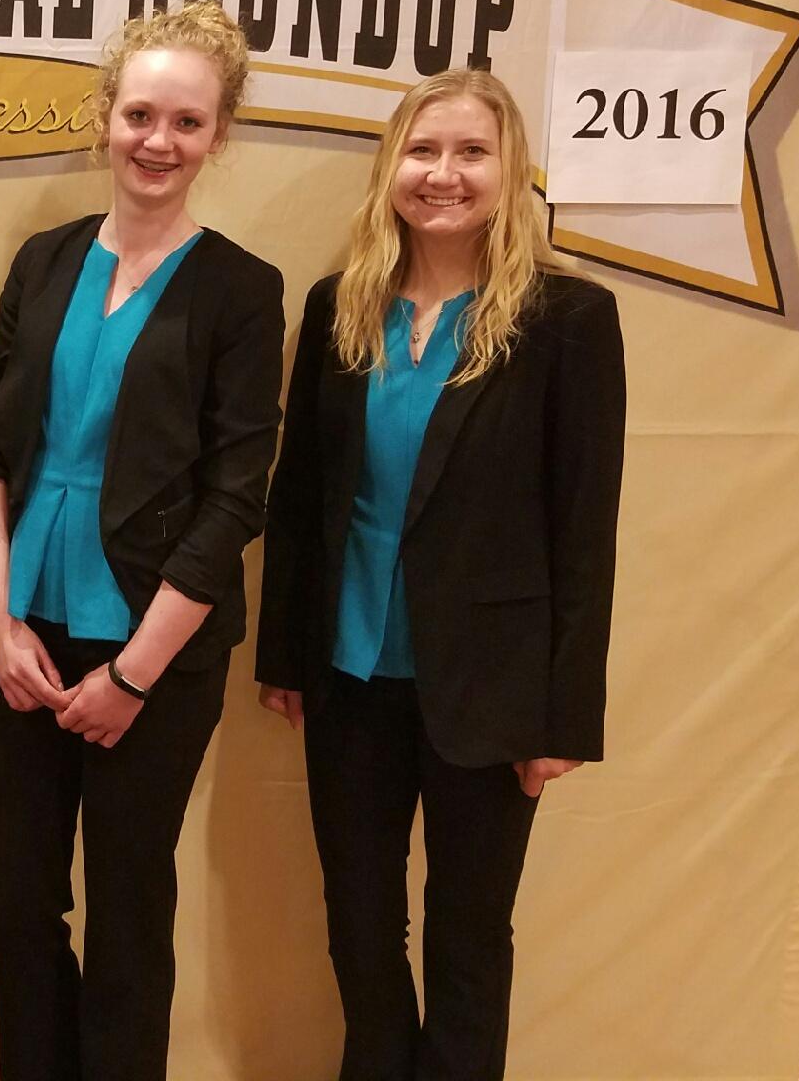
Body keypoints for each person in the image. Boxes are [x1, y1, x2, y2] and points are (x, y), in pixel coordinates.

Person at [256, 67, 626, 1080]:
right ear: (392, 169)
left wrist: (561, 718)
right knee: (361, 929)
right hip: (350, 678)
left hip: (491, 693)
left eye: (471, 153)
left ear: (511, 172)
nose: (444, 174)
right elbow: (299, 501)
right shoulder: (342, 305)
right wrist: (283, 652)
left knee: (468, 938)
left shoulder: (568, 322)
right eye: (423, 151)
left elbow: (585, 532)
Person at [0, 0, 285, 1081]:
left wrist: (134, 678)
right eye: (141, 113)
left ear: (218, 136)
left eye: (187, 123)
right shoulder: (44, 260)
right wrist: (2, 623)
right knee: (13, 901)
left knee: (130, 914)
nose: (159, 141)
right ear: (107, 116)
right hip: (28, 633)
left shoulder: (243, 291)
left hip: (156, 650)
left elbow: (237, 498)